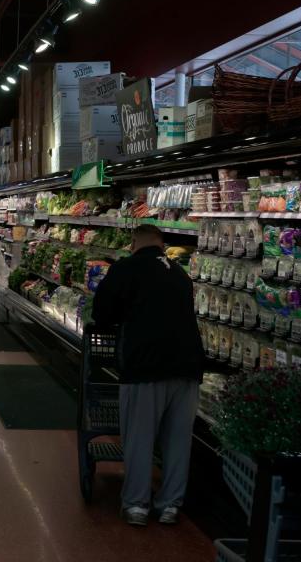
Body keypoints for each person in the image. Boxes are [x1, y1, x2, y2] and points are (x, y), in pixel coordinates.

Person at [92, 224, 204, 527]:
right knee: (178, 440)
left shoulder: (126, 268)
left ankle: (137, 505)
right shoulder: (180, 274)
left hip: (145, 365)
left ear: (133, 243)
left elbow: (101, 314)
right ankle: (170, 506)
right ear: (161, 243)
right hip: (188, 367)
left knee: (140, 437)